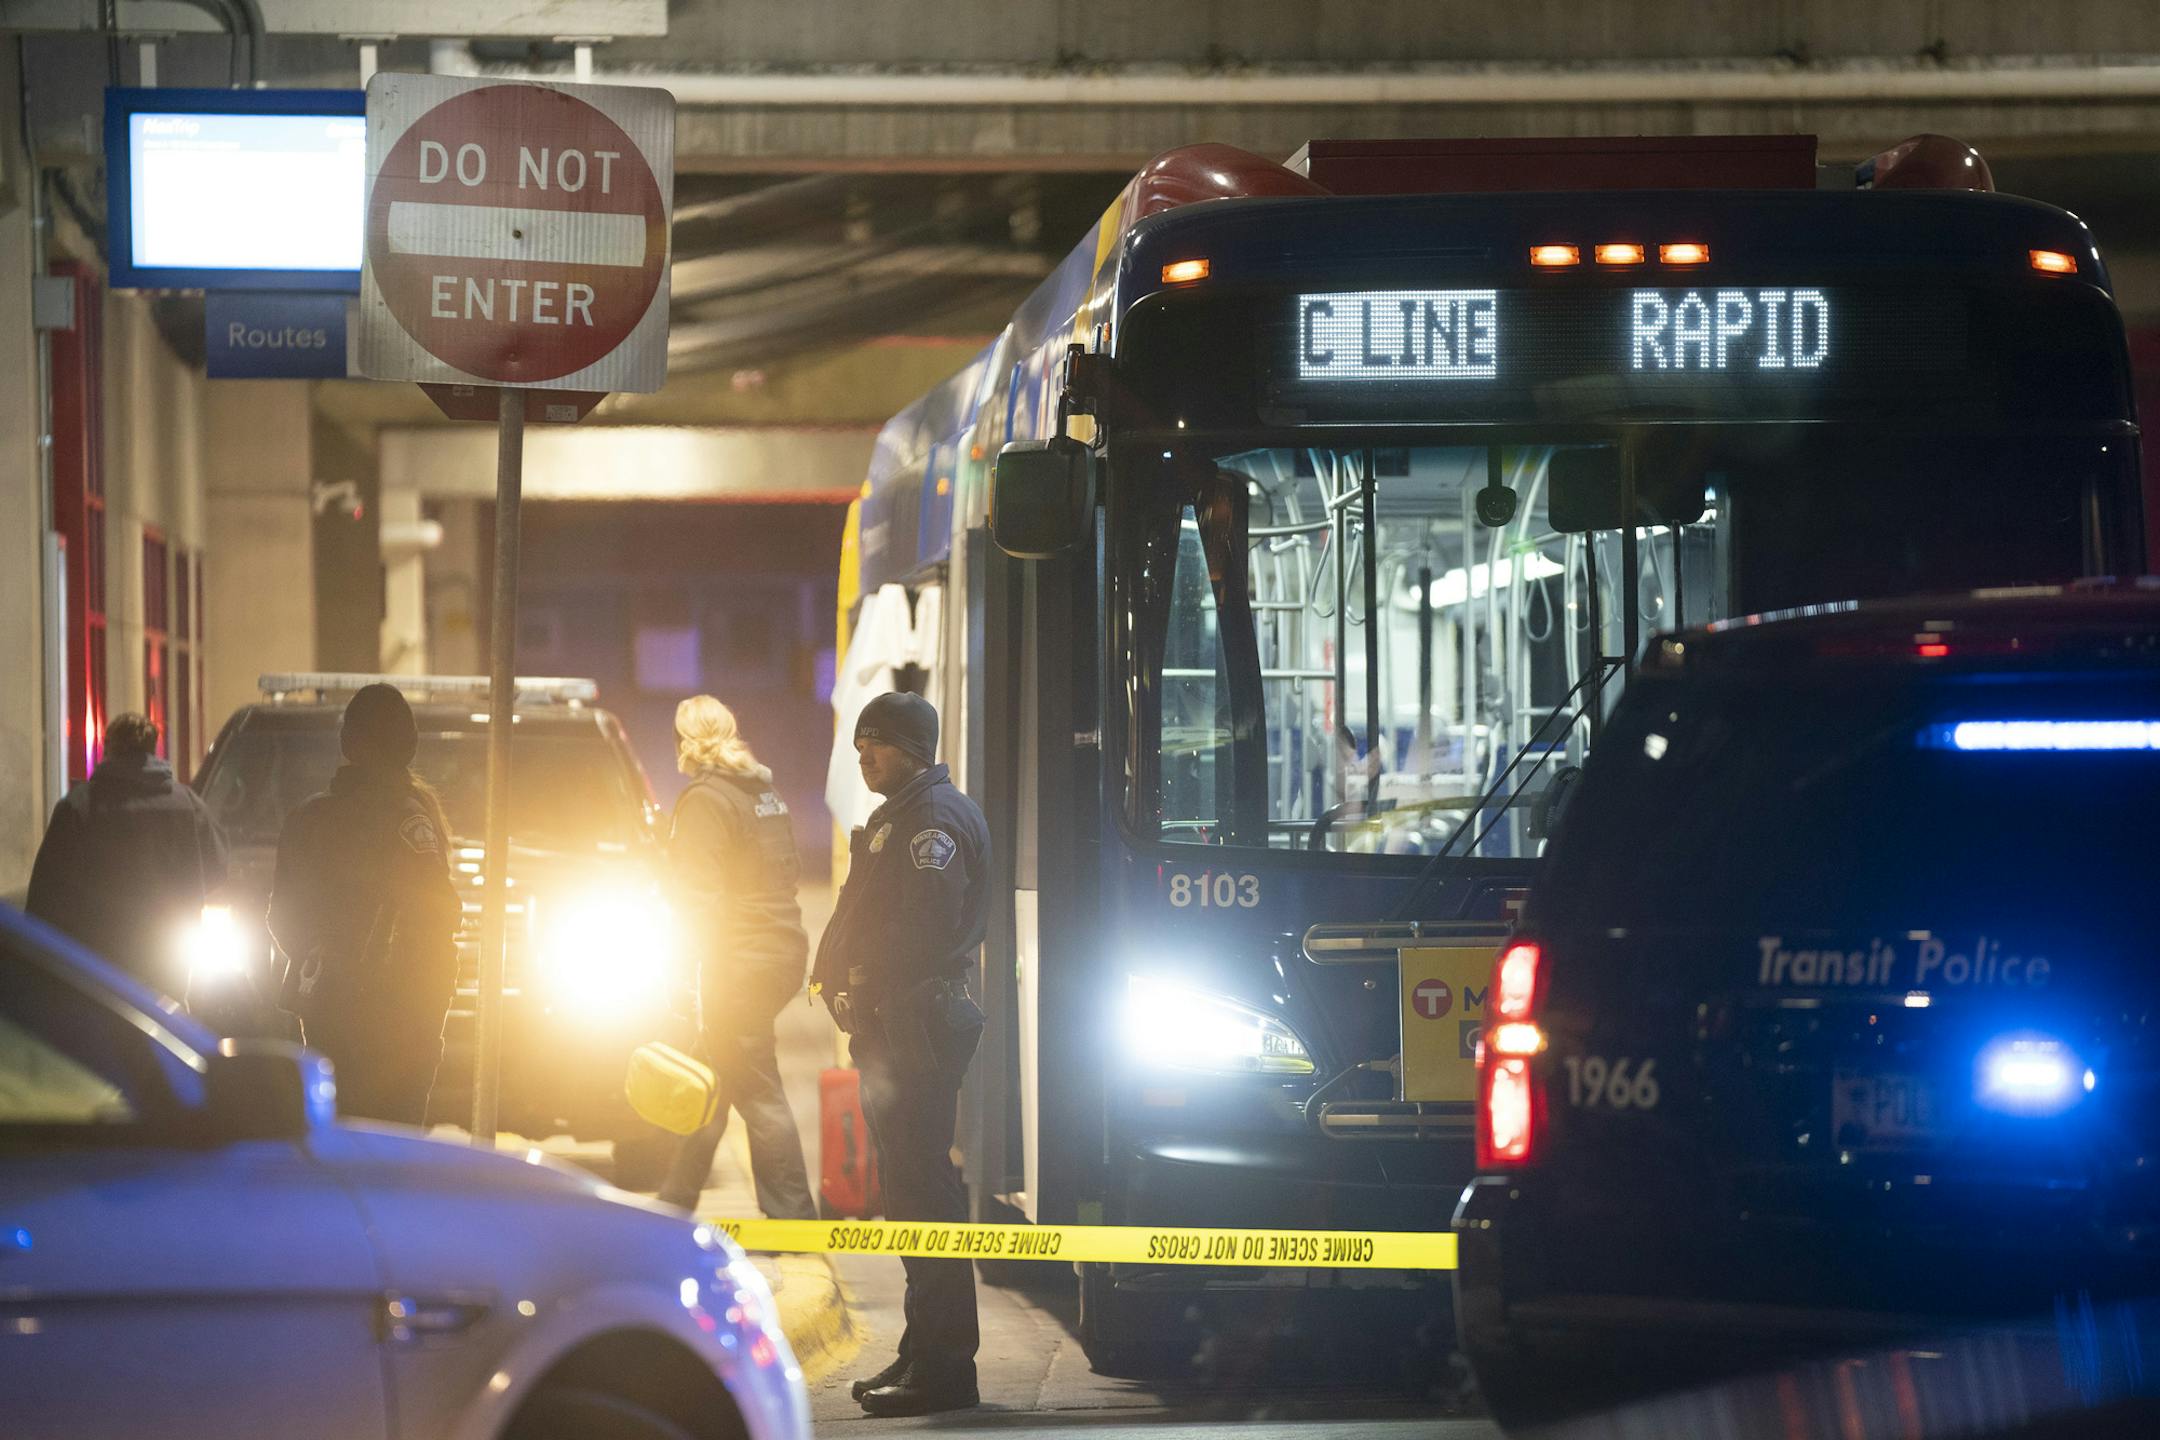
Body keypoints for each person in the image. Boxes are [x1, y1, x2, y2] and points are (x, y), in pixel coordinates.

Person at [814, 691, 989, 1417]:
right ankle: (925, 1351)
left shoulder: (933, 822)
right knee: (911, 1192)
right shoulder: (911, 811)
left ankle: (946, 1368)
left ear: (913, 748)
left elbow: (917, 930)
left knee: (924, 1194)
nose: (864, 755)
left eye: (876, 744)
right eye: (860, 743)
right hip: (896, 1029)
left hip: (913, 1030)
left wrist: (862, 984)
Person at [267, 683, 461, 1124]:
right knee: (396, 1146)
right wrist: (430, 1001)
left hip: (329, 1012)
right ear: (407, 745)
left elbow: (283, 919)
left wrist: (322, 964)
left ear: (348, 743)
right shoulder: (411, 819)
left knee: (337, 1138)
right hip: (403, 1019)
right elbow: (440, 916)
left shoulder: (307, 820)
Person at [655, 696, 818, 1220]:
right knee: (715, 1075)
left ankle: (794, 1220)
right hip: (777, 950)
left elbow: (697, 899)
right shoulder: (762, 793)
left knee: (754, 1085)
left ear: (683, 742)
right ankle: (675, 1201)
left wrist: (684, 973)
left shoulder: (706, 801)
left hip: (741, 961)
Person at [25, 712, 228, 997]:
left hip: (97, 958)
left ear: (106, 749)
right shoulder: (188, 805)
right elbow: (217, 869)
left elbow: (46, 895)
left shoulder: (79, 806)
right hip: (169, 955)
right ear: (153, 748)